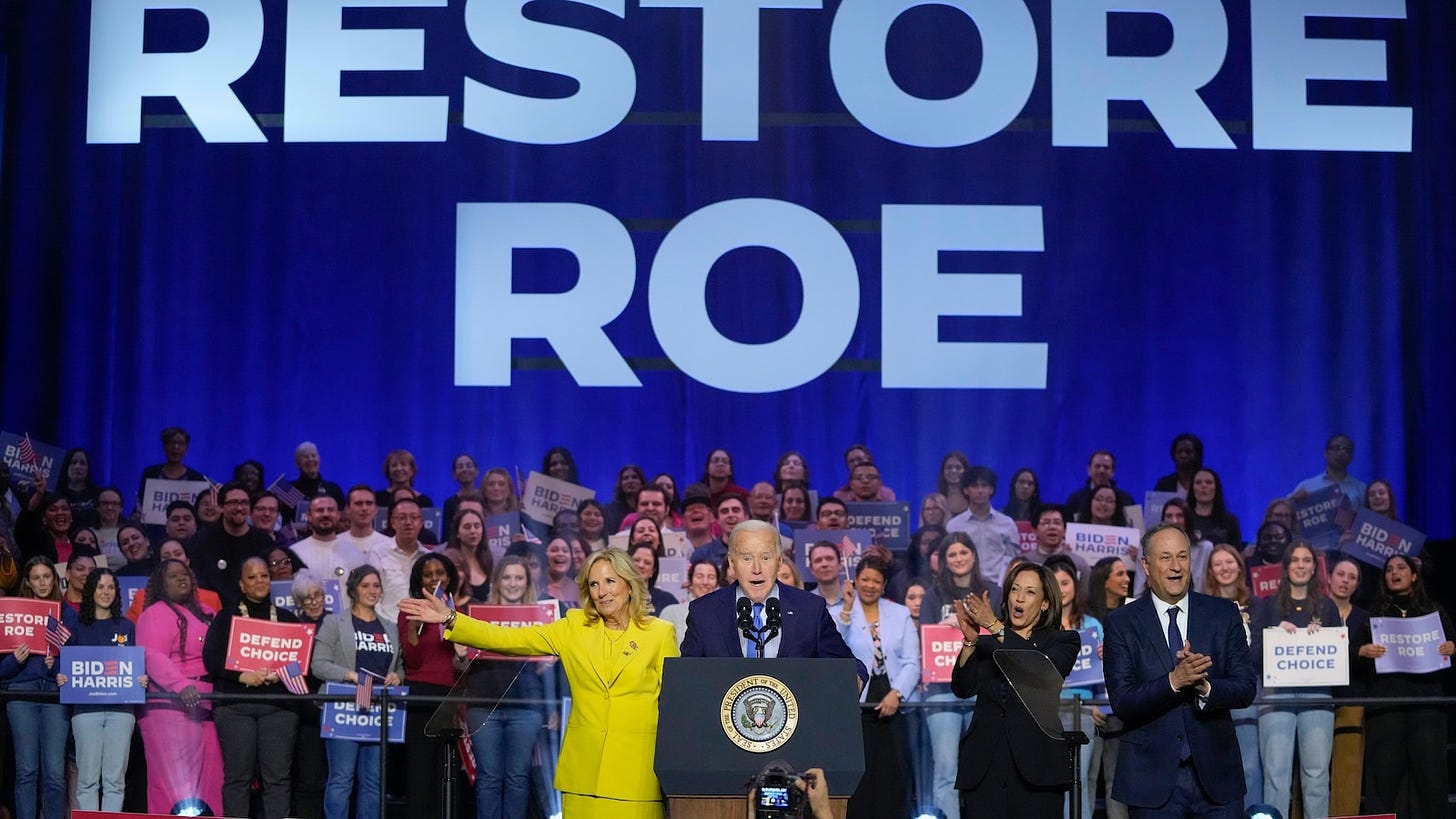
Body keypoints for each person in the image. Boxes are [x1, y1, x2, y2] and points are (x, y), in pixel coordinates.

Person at [401, 548, 679, 818]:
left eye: (610, 581)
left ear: (629, 585)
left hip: (635, 773)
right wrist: (451, 618)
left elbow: (674, 707)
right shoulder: (573, 627)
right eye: (594, 583)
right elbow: (507, 639)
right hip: (583, 774)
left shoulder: (659, 634)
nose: (602, 591)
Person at [1104, 522, 1256, 816]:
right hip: (1151, 781)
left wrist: (1206, 688)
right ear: (1146, 566)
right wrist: (1173, 682)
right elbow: (1122, 701)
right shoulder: (1122, 623)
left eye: (1182, 556)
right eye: (1165, 557)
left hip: (1217, 779)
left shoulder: (1223, 614)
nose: (1176, 566)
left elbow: (1246, 687)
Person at [950, 562, 1079, 816]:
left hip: (1037, 770)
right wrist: (969, 642)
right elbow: (962, 688)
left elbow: (1042, 672)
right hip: (985, 768)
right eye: (1015, 590)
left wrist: (996, 627)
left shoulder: (1063, 641)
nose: (1019, 598)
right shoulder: (987, 644)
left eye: (1030, 592)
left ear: (1045, 603)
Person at [678, 521, 864, 678]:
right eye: (746, 558)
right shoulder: (704, 612)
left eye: (765, 557)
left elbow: (849, 666)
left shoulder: (810, 609)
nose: (756, 568)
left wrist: (853, 681)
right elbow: (686, 678)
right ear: (732, 564)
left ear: (780, 561)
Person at [1352, 554, 1455, 819]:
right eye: (1389, 569)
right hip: (1386, 707)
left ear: (1414, 575)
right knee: (1385, 779)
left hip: (1427, 708)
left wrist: (1452, 648)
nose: (1394, 573)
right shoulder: (1375, 615)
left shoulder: (1434, 611)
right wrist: (1362, 651)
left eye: (1401, 568)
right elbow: (1352, 656)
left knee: (1430, 778)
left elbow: (1452, 651)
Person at [202, 556, 302, 819]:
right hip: (235, 707)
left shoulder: (288, 619)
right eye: (252, 577)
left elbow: (302, 664)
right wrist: (241, 676)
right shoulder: (227, 617)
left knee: (278, 779)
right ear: (242, 584)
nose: (259, 581)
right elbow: (211, 658)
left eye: (264, 576)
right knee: (237, 779)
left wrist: (282, 674)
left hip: (278, 707)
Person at [1247, 541, 1339, 819]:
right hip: (1276, 696)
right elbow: (1252, 656)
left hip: (1318, 695)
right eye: (1295, 560)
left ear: (1314, 567)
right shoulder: (1266, 605)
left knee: (1317, 776)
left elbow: (1340, 652)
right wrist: (1273, 635)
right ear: (1285, 567)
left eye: (1307, 560)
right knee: (1276, 776)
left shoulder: (1327, 607)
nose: (1301, 565)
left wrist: (1323, 637)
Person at [465, 554, 560, 819]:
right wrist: (461, 653)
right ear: (497, 581)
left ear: (527, 582)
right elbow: (461, 667)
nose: (513, 583)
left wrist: (547, 664)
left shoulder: (543, 619)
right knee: (489, 776)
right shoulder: (478, 615)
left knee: (518, 776)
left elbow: (546, 671)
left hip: (526, 707)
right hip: (484, 706)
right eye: (507, 577)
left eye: (519, 577)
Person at [312, 564, 404, 819]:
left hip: (378, 711)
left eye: (376, 585)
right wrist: (350, 675)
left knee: (374, 782)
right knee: (341, 778)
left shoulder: (390, 627)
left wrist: (397, 677)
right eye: (365, 585)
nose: (372, 590)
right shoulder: (334, 622)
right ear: (353, 590)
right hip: (343, 708)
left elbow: (399, 669)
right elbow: (318, 665)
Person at [136, 558, 224, 815]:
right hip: (170, 706)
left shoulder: (208, 613)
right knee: (174, 783)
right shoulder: (155, 614)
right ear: (161, 585)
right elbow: (151, 655)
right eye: (172, 576)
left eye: (184, 573)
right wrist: (180, 685)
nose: (181, 578)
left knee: (213, 778)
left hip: (208, 704)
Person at [835, 554, 918, 818]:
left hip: (893, 699)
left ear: (884, 586)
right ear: (855, 581)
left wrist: (897, 693)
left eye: (876, 581)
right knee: (861, 771)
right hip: (856, 702)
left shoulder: (901, 613)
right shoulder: (838, 613)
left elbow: (912, 662)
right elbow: (835, 649)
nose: (870, 585)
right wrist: (846, 609)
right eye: (865, 579)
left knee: (893, 771)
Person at [60, 568, 147, 811]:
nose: (106, 592)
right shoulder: (76, 628)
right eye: (100, 587)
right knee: (87, 781)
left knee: (115, 781)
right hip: (86, 711)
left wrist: (140, 679)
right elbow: (65, 666)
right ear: (91, 591)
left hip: (121, 711)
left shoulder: (127, 627)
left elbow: (132, 666)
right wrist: (61, 676)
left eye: (110, 587)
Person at [1, 557, 69, 819]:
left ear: (55, 578)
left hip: (54, 694)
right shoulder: (10, 613)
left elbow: (76, 661)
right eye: (36, 577)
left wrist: (56, 666)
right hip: (21, 692)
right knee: (27, 770)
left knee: (54, 772)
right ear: (27, 582)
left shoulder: (67, 614)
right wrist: (14, 661)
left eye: (47, 576)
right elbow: (1, 670)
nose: (42, 582)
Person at [398, 553, 464, 819]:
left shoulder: (460, 613)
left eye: (440, 573)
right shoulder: (409, 612)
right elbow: (412, 662)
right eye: (428, 574)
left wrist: (462, 655)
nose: (435, 578)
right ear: (419, 581)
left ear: (449, 577)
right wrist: (414, 628)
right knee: (419, 773)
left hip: (451, 699)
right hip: (419, 696)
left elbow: (465, 666)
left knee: (447, 773)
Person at [1201, 544, 1260, 807]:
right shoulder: (1203, 607)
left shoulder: (1259, 606)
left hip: (1248, 692)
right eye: (1218, 564)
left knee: (1249, 763)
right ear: (1211, 571)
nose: (1225, 568)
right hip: (1212, 691)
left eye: (1230, 562)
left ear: (1239, 566)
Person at [1047, 555, 1103, 819]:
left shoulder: (1093, 627)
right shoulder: (1039, 628)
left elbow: (1108, 677)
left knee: (1079, 781)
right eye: (1055, 584)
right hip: (1047, 714)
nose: (1061, 589)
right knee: (1050, 782)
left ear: (1075, 586)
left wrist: (1106, 658)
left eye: (1066, 582)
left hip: (1085, 712)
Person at [1326, 556, 1370, 817]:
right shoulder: (1313, 610)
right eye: (1341, 574)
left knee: (1348, 770)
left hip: (1352, 700)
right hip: (1317, 698)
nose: (1345, 581)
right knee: (1310, 771)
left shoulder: (1365, 618)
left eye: (1352, 577)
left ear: (1357, 585)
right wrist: (1357, 652)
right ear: (1329, 577)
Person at [190, 482, 275, 603]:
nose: (239, 508)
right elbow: (198, 581)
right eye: (234, 503)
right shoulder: (201, 540)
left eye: (244, 503)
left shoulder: (264, 541)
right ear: (220, 507)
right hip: (213, 610)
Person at [943, 466, 1021, 588]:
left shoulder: (1007, 524)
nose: (980, 490)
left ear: (991, 490)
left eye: (984, 486)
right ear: (966, 490)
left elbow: (1013, 561)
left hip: (1000, 588)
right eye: (974, 486)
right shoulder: (954, 526)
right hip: (964, 586)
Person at [1289, 433, 1366, 508]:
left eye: (1346, 450)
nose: (1341, 453)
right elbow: (1285, 511)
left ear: (1352, 457)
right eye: (1336, 448)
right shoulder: (1307, 487)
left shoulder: (1361, 489)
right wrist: (1293, 500)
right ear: (1326, 453)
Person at [659, 557, 719, 648]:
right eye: (699, 576)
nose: (705, 582)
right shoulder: (671, 612)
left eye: (711, 577)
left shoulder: (726, 614)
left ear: (717, 583)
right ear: (690, 581)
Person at [1186, 469, 1241, 552]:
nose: (1203, 486)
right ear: (1192, 488)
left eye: (1209, 482)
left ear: (1216, 488)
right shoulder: (1184, 518)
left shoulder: (1230, 521)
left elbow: (1236, 553)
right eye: (1198, 482)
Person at [1064, 451, 1135, 514]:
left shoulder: (1126, 499)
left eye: (1106, 467)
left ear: (1113, 472)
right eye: (1097, 466)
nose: (1101, 471)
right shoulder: (1075, 499)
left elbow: (1135, 527)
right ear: (1089, 470)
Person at [628, 542, 679, 614]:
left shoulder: (667, 600)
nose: (641, 565)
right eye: (636, 560)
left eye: (647, 562)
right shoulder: (615, 596)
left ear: (653, 571)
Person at [291, 441, 346, 507]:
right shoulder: (289, 490)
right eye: (306, 457)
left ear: (319, 459)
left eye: (313, 456)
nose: (311, 459)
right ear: (297, 463)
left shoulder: (333, 489)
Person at [602, 464, 645, 535]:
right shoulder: (609, 510)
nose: (630, 481)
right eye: (625, 478)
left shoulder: (648, 508)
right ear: (620, 484)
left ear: (642, 483)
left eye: (634, 477)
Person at [936, 451, 970, 518]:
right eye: (949, 467)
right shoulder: (935, 501)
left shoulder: (974, 500)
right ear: (943, 472)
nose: (953, 471)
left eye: (958, 468)